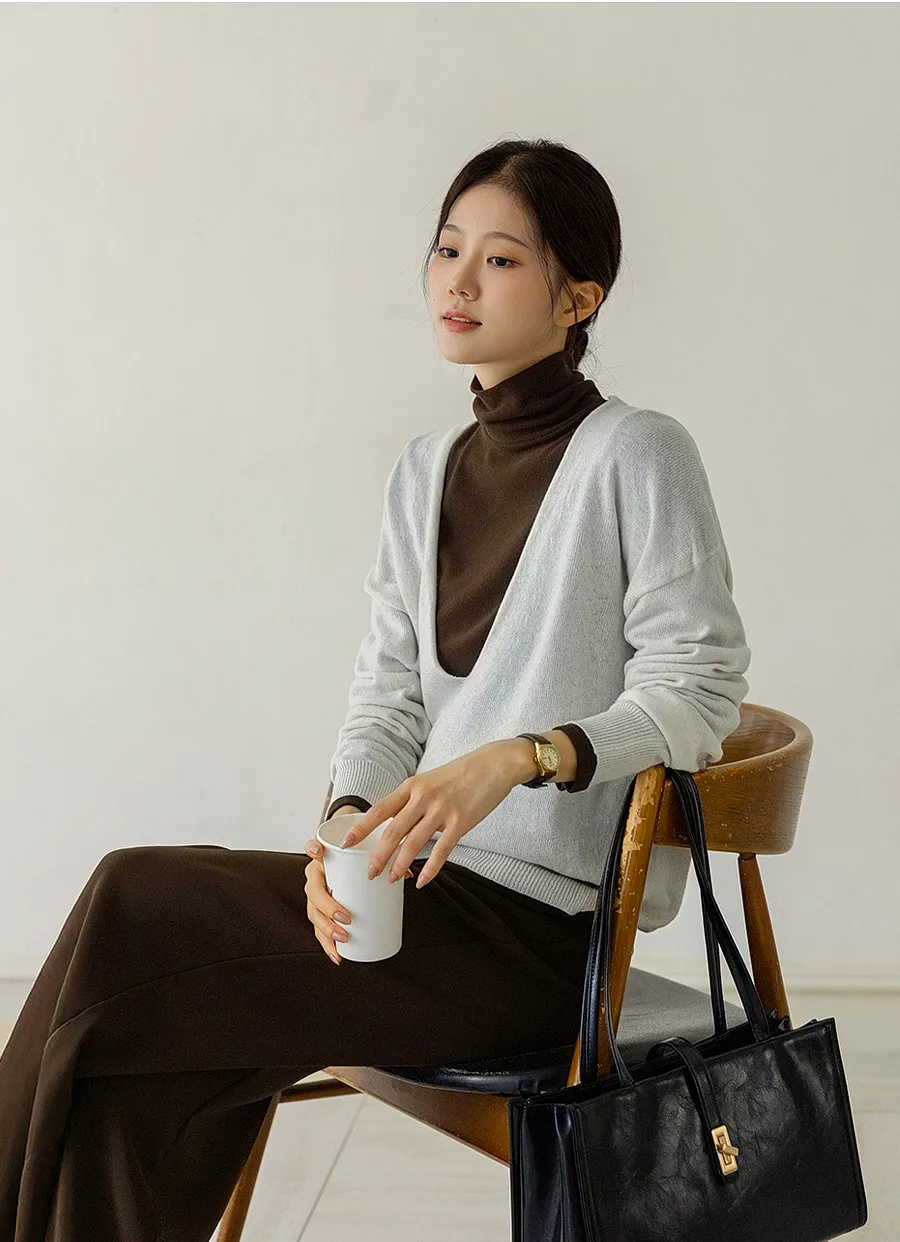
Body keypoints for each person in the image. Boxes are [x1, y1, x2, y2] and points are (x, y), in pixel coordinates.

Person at [0, 137, 751, 1242]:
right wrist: (344, 825)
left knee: (131, 902)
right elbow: (389, 697)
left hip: (539, 942)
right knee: (147, 1074)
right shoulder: (422, 472)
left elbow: (703, 686)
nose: (458, 280)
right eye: (447, 249)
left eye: (501, 259)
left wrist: (520, 756)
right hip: (410, 903)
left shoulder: (637, 454)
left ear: (577, 298)